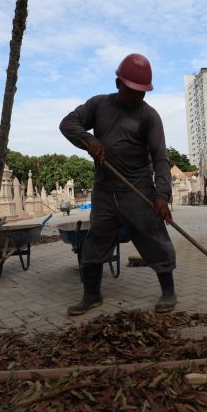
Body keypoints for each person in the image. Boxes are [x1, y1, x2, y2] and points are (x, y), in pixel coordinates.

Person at [60, 53, 176, 316]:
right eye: (132, 90)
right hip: (104, 191)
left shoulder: (149, 116)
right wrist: (89, 141)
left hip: (138, 191)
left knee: (154, 239)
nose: (138, 97)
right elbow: (68, 124)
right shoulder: (99, 105)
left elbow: (160, 159)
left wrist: (162, 195)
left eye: (142, 92)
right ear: (118, 83)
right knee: (95, 241)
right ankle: (92, 295)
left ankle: (168, 291)